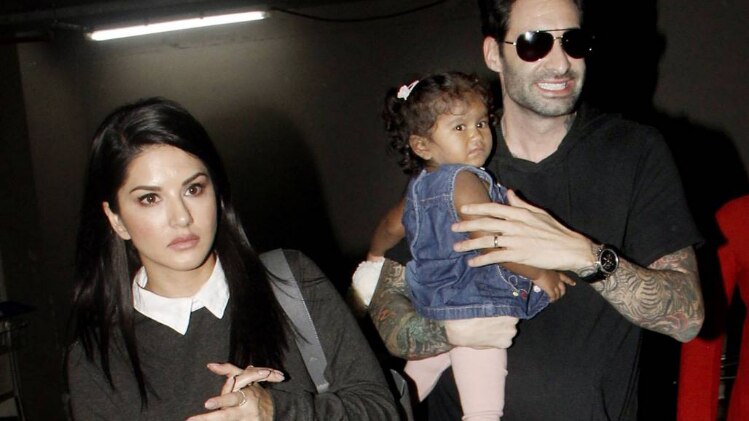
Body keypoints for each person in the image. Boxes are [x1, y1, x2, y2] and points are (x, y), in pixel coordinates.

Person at [364, 0, 705, 419]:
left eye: (572, 42)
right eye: (534, 43)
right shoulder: (455, 159)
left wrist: (585, 256)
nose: (560, 63)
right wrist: (451, 329)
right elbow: (386, 302)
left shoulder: (634, 151)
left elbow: (688, 317)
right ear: (494, 53)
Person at [65, 97, 399, 420]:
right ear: (117, 219)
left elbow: (382, 410)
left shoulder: (290, 283)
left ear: (217, 193)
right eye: (150, 198)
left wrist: (277, 411)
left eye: (193, 189)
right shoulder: (98, 356)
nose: (181, 217)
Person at [357, 72, 573, 420]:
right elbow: (492, 241)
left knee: (411, 386)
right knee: (483, 407)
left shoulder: (417, 188)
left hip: (433, 305)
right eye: (459, 127)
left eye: (481, 123)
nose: (476, 135)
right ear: (422, 146)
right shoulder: (465, 180)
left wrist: (373, 257)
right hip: (477, 309)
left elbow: (389, 227)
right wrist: (539, 274)